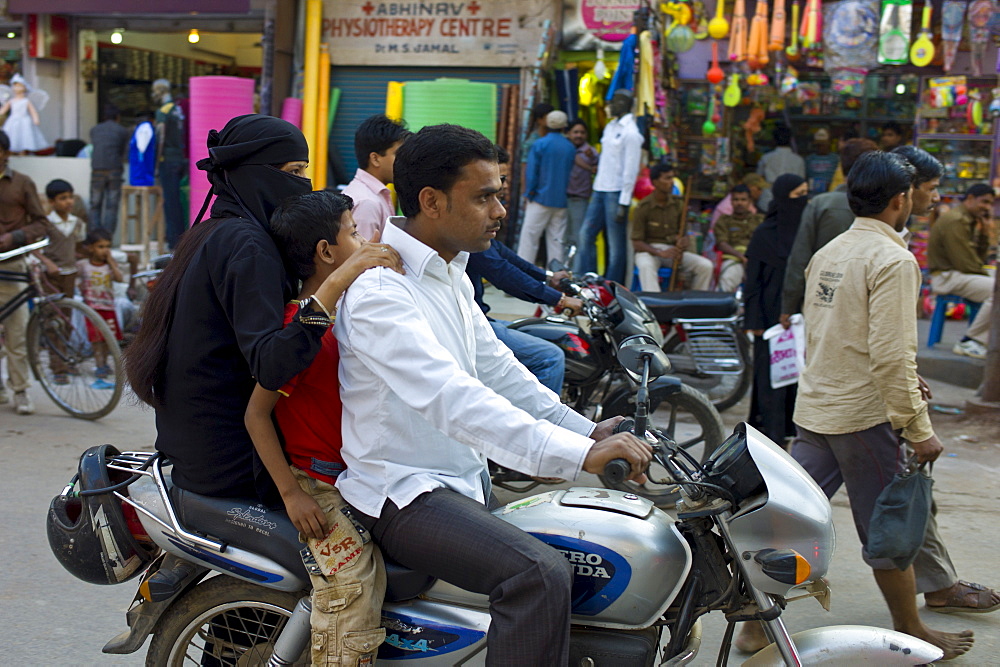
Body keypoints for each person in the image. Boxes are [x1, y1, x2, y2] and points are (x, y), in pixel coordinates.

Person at [335, 123, 652, 665]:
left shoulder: (452, 273)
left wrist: (587, 430)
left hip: (458, 477)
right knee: (538, 574)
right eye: (485, 197)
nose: (501, 211)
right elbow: (451, 396)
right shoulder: (381, 290)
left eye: (500, 194)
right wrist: (580, 456)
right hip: (403, 490)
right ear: (431, 202)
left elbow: (500, 372)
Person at [763, 151, 995, 660]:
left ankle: (756, 626)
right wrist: (917, 427)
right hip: (861, 417)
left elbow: (834, 337)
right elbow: (891, 354)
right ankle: (911, 625)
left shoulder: (831, 251)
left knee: (794, 519)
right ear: (900, 200)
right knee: (888, 529)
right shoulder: (893, 260)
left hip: (816, 407)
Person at [123, 114, 403, 504]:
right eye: (293, 171)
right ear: (254, 173)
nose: (301, 184)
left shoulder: (217, 228)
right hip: (232, 461)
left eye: (304, 171)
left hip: (191, 447)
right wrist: (336, 282)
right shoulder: (248, 244)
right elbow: (272, 364)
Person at [245, 191, 402, 665]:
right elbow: (256, 413)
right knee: (352, 591)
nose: (365, 239)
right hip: (320, 484)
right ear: (325, 252)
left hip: (365, 475)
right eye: (353, 232)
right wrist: (294, 494)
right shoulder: (303, 327)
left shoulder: (361, 309)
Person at [467, 146, 580, 393]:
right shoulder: (468, 219)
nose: (503, 186)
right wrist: (558, 299)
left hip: (480, 317)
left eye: (505, 179)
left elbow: (503, 256)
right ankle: (542, 430)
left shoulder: (485, 213)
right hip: (473, 324)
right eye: (500, 179)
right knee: (550, 357)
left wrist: (548, 278)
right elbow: (503, 273)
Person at [780, 138, 879, 320]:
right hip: (869, 299)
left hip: (824, 297)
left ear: (841, 167)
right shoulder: (886, 206)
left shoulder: (821, 204)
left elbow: (800, 258)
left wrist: (789, 304)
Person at [743, 174, 808, 446]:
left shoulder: (807, 234)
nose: (804, 201)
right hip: (768, 317)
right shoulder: (763, 235)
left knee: (797, 374)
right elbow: (753, 281)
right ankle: (771, 434)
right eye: (798, 195)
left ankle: (793, 429)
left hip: (799, 317)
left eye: (806, 194)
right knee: (769, 376)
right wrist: (753, 320)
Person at [0, 129, 49, 415]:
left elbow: (42, 223)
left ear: (5, 152)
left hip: (12, 265)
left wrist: (14, 237)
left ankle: (20, 391)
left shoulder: (21, 183)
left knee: (17, 333)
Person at [574, 89, 643, 283]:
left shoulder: (632, 134)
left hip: (617, 192)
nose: (610, 105)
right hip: (600, 189)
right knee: (586, 234)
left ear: (623, 104)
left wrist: (624, 201)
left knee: (615, 245)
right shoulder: (610, 127)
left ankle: (612, 286)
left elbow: (631, 170)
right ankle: (589, 279)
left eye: (614, 102)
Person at [927, 182, 994, 359]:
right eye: (984, 202)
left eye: (990, 204)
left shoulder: (969, 219)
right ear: (970, 199)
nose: (987, 207)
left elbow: (976, 260)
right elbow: (965, 262)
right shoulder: (956, 220)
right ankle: (971, 340)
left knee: (994, 282)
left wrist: (985, 232)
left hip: (959, 274)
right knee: (997, 289)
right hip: (947, 277)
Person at [631, 163, 713, 292]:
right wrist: (658, 252)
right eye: (667, 178)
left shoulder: (678, 205)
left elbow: (683, 234)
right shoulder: (643, 207)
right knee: (646, 266)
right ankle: (655, 305)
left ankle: (696, 305)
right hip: (649, 251)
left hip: (672, 251)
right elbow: (637, 243)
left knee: (705, 266)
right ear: (655, 182)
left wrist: (683, 241)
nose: (672, 182)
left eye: (672, 178)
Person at [518, 110, 577, 266]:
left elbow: (532, 173)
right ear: (564, 126)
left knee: (529, 238)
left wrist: (529, 193)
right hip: (561, 201)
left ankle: (523, 275)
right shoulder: (569, 147)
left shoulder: (540, 144)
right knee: (557, 241)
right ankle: (557, 277)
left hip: (539, 198)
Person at [341, 114, 411, 240]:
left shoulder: (374, 195)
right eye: (399, 154)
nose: (405, 161)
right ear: (375, 159)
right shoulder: (367, 203)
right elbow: (363, 256)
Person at [76, 228, 123, 382]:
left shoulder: (109, 265)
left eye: (107, 246)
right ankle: (100, 365)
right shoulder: (83, 265)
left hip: (108, 308)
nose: (105, 250)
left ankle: (104, 363)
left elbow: (119, 278)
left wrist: (111, 262)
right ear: (90, 248)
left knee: (108, 340)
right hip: (92, 309)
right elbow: (75, 278)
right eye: (100, 247)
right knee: (96, 340)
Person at [153, 79, 188, 249]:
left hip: (167, 159)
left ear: (158, 91)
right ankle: (180, 238)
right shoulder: (177, 110)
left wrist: (156, 164)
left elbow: (161, 138)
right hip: (180, 159)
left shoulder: (164, 111)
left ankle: (174, 242)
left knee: (170, 202)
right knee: (178, 202)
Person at [714, 184, 765, 292]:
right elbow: (721, 243)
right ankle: (720, 307)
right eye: (736, 199)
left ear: (750, 201)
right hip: (734, 259)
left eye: (743, 200)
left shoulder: (759, 220)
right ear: (731, 201)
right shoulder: (724, 220)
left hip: (757, 259)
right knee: (728, 277)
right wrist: (742, 257)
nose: (739, 203)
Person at [88, 104, 130, 234]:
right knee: (112, 205)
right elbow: (124, 153)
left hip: (97, 169)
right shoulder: (122, 131)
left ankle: (95, 237)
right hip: (115, 170)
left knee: (95, 204)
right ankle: (108, 237)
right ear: (118, 117)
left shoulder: (94, 130)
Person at [565, 118, 598, 258]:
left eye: (582, 132)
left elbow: (599, 168)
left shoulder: (591, 152)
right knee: (564, 237)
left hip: (580, 200)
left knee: (578, 237)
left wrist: (592, 163)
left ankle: (577, 272)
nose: (579, 135)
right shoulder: (565, 148)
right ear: (569, 134)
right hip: (562, 200)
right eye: (575, 132)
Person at [0, 74, 47, 154]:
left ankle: (23, 151)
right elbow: (4, 109)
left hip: (24, 120)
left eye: (19, 86)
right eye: (15, 86)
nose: (17, 88)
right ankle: (12, 151)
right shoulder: (12, 101)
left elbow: (33, 111)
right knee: (12, 135)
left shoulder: (26, 101)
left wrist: (36, 119)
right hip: (13, 120)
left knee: (25, 136)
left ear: (25, 88)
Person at [805, 128, 839, 194]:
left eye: (823, 144)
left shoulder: (835, 159)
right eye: (818, 145)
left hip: (830, 193)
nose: (820, 147)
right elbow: (805, 179)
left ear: (828, 144)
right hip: (812, 194)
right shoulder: (809, 159)